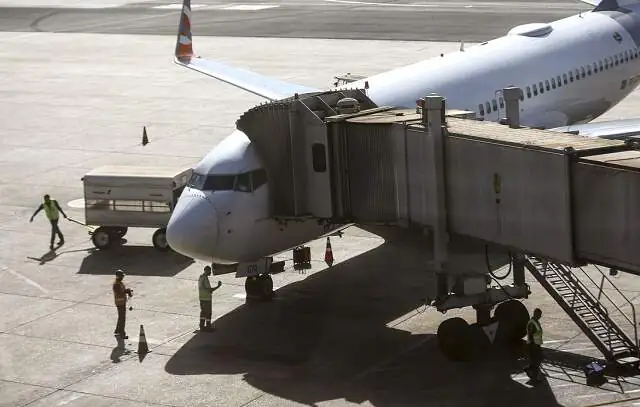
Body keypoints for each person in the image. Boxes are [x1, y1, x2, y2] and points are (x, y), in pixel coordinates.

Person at [198, 266, 222, 331]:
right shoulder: (205, 278)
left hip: (201, 298)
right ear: (206, 270)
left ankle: (201, 326)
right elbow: (210, 290)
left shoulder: (201, 277)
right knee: (208, 313)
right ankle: (208, 327)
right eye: (209, 271)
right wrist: (218, 286)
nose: (210, 272)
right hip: (206, 299)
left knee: (203, 312)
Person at [113, 269, 133, 339]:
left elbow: (123, 290)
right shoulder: (116, 284)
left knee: (121, 317)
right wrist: (126, 291)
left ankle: (117, 330)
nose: (122, 277)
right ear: (118, 276)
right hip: (120, 303)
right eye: (121, 276)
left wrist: (128, 291)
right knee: (122, 318)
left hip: (122, 302)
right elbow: (119, 292)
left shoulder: (120, 283)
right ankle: (122, 334)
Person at [526, 308, 544, 384]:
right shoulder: (532, 323)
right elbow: (530, 335)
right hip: (533, 346)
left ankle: (529, 369)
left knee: (536, 361)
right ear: (535, 314)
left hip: (536, 345)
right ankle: (533, 379)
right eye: (539, 315)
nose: (540, 316)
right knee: (536, 362)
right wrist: (533, 346)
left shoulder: (536, 322)